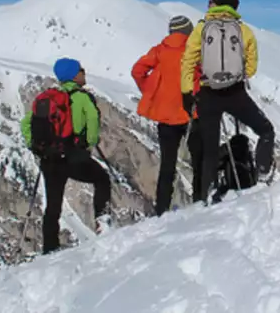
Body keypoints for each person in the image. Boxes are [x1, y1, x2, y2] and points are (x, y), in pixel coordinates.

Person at [180, 0, 275, 204]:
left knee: (210, 149)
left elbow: (188, 60)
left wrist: (187, 91)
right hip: (235, 92)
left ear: (215, 4)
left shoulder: (202, 29)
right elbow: (251, 68)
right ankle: (262, 174)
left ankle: (208, 195)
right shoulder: (243, 30)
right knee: (265, 130)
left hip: (208, 93)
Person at [20, 58, 111, 254]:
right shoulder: (81, 97)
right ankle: (103, 223)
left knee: (53, 205)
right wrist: (90, 143)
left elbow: (25, 123)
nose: (84, 73)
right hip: (72, 155)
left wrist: (35, 145)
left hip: (49, 159)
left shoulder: (47, 98)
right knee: (102, 178)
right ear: (74, 75)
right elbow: (93, 119)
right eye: (81, 70)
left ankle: (50, 248)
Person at [132, 15, 202, 215]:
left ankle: (162, 209)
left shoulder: (159, 51)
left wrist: (152, 90)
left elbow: (137, 71)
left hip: (165, 114)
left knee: (167, 165)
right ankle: (200, 202)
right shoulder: (194, 51)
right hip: (192, 112)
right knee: (199, 159)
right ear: (188, 31)